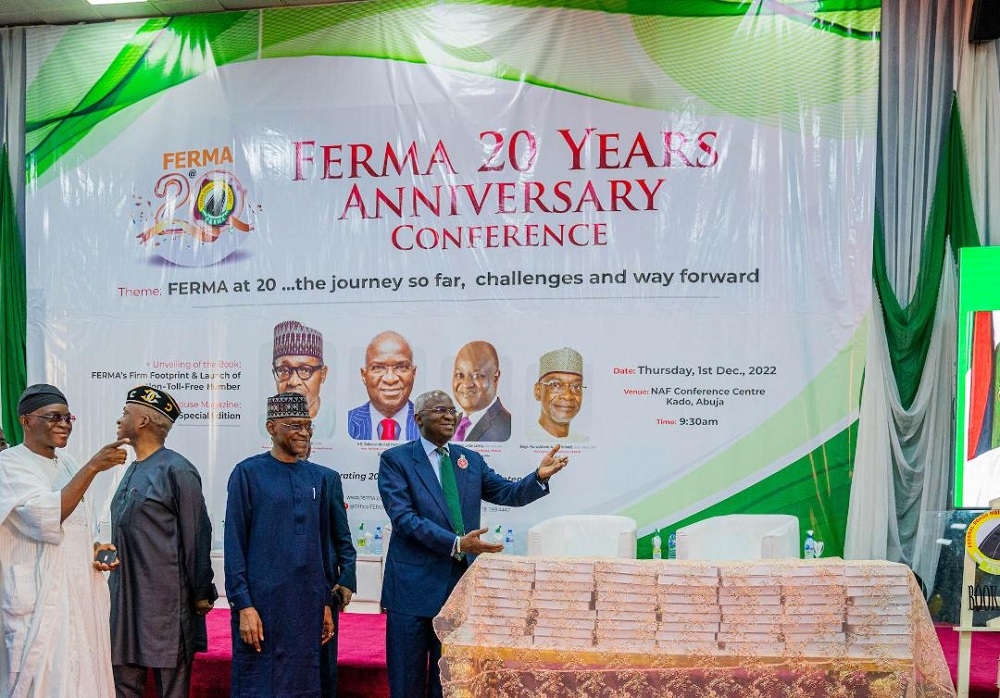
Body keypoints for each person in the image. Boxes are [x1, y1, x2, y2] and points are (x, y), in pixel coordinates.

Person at [378, 389, 569, 698]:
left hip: (457, 592)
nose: (448, 416)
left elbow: (507, 493)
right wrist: (455, 543)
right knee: (406, 684)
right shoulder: (396, 460)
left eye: (452, 411)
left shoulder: (470, 460)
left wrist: (537, 477)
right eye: (439, 410)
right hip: (410, 592)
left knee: (449, 683)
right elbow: (404, 519)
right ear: (418, 419)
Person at [0, 384, 130, 697]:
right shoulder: (9, 465)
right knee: (43, 684)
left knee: (82, 679)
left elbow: (78, 525)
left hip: (79, 597)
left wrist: (96, 548)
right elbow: (46, 515)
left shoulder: (68, 462)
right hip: (38, 603)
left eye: (68, 417)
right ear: (26, 421)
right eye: (54, 417)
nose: (64, 423)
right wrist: (94, 466)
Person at [105, 385, 217, 698]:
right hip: (126, 605)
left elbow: (197, 534)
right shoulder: (131, 470)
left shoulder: (177, 469)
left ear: (142, 421)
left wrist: (201, 591)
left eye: (126, 413)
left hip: (166, 607)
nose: (120, 419)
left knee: (172, 690)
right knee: (123, 685)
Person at [224, 392, 338, 697]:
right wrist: (243, 605)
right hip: (262, 606)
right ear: (271, 427)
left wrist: (326, 603)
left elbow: (322, 546)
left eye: (308, 426)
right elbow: (234, 543)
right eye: (294, 425)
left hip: (306, 606)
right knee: (260, 684)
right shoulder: (247, 473)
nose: (303, 433)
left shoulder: (317, 478)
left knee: (303, 684)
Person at [308, 445, 357, 698]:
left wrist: (347, 577)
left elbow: (342, 535)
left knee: (323, 662)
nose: (303, 438)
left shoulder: (328, 477)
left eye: (308, 432)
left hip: (324, 589)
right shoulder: (260, 476)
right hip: (281, 589)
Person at [347, 330, 419, 441]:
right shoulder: (347, 422)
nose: (390, 379)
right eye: (378, 368)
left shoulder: (430, 426)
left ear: (413, 373)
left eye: (401, 367)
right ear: (364, 375)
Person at [272, 320, 333, 438]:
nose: (293, 382)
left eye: (305, 370)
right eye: (284, 370)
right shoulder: (264, 422)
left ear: (323, 374)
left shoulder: (334, 420)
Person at [451, 341, 511, 442]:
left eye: (477, 376)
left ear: (495, 377)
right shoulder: (449, 425)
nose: (466, 384)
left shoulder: (507, 428)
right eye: (460, 375)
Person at [526, 347, 588, 442]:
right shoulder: (527, 438)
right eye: (556, 385)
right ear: (538, 391)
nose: (568, 396)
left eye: (576, 387)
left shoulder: (583, 441)